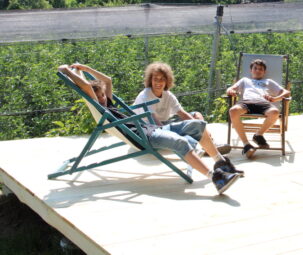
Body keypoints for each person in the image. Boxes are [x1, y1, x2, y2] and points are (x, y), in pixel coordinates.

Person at [58, 63, 243, 195]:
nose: (102, 99)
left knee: (198, 125)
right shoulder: (102, 108)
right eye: (98, 98)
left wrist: (84, 68)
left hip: (150, 128)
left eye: (103, 96)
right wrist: (67, 71)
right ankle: (215, 178)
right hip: (143, 135)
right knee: (180, 141)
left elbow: (107, 79)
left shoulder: (109, 102)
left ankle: (219, 161)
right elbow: (85, 87)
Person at [133, 62, 231, 156]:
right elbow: (154, 121)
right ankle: (202, 147)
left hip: (165, 123)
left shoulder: (168, 95)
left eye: (162, 79)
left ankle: (209, 144)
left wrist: (203, 130)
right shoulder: (145, 96)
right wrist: (173, 134)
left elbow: (182, 113)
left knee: (196, 115)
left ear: (167, 81)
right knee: (187, 128)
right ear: (150, 80)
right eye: (155, 79)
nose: (158, 82)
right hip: (150, 130)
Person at [226, 58, 291, 158]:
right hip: (246, 102)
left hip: (263, 103)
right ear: (251, 70)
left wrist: (275, 99)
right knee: (233, 110)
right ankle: (246, 144)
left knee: (274, 112)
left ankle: (258, 135)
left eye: (260, 69)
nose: (257, 70)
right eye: (255, 68)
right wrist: (230, 91)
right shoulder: (245, 80)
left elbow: (286, 92)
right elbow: (230, 89)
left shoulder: (268, 81)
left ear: (264, 72)